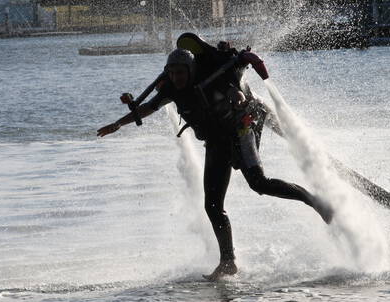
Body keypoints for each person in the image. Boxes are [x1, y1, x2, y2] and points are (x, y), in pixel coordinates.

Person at [97, 37, 333, 281]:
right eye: (173, 73)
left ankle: (314, 200)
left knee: (258, 183)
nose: (178, 78)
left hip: (242, 128)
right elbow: (147, 107)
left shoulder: (212, 80)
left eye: (181, 72)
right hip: (217, 141)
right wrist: (118, 124)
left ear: (191, 70)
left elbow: (235, 91)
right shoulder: (170, 88)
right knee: (212, 205)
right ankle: (228, 262)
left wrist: (237, 97)